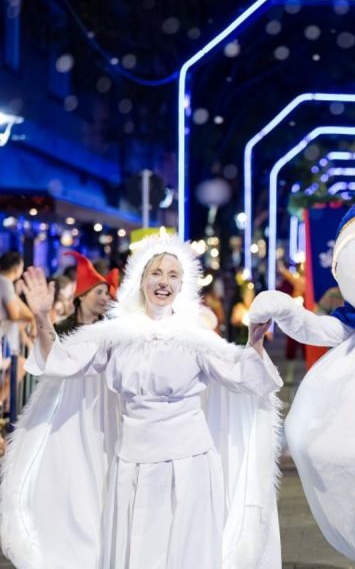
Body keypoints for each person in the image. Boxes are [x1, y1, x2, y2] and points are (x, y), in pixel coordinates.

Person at [1, 234, 284, 569]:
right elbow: (59, 361)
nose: (163, 281)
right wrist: (42, 316)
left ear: (183, 285)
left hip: (191, 464)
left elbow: (245, 378)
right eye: (156, 273)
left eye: (173, 275)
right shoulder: (115, 335)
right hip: (132, 462)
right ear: (141, 279)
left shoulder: (196, 338)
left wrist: (254, 343)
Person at [54, 251, 117, 336]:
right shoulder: (61, 329)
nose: (105, 298)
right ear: (82, 295)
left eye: (106, 293)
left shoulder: (111, 330)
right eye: (99, 292)